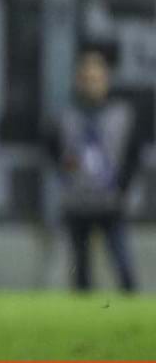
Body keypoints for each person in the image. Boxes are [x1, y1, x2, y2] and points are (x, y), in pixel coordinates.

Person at [53, 47, 141, 293]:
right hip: (78, 201)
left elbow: (133, 155)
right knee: (81, 269)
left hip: (111, 202)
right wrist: (67, 175)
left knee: (123, 264)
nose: (92, 85)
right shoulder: (67, 116)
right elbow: (53, 150)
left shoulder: (121, 115)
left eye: (97, 78)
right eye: (87, 79)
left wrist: (122, 187)